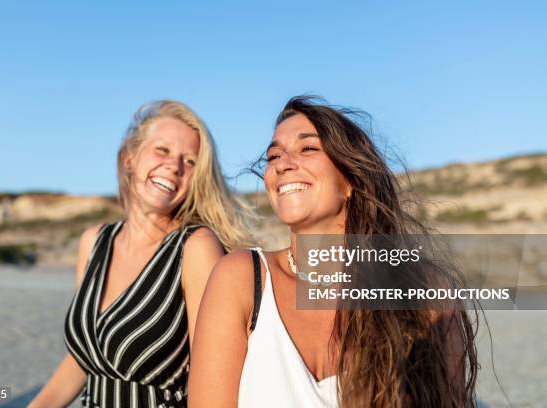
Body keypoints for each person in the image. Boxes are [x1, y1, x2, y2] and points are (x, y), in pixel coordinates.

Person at [188, 95, 478, 407]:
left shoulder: (425, 288)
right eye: (273, 156)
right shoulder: (241, 277)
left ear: (350, 179)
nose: (283, 165)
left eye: (308, 148)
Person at [29, 100, 255, 408]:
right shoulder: (94, 241)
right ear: (129, 159)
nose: (174, 166)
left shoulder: (196, 248)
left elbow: (216, 375)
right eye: (161, 150)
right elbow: (90, 355)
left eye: (189, 162)